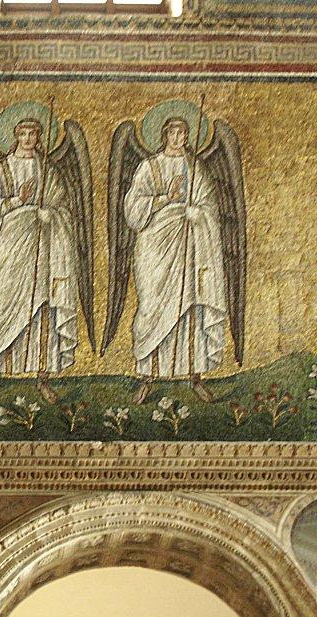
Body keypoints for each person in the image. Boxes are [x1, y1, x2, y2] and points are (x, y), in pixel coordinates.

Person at [0, 118, 79, 404]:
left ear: (39, 136)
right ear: (15, 136)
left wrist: (51, 214)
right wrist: (15, 202)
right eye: (23, 133)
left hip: (44, 249)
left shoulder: (48, 170)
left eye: (33, 133)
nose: (28, 138)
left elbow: (64, 207)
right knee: (3, 308)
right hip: (9, 250)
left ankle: (42, 377)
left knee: (43, 309)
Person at [124, 117, 226, 404]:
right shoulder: (149, 167)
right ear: (164, 134)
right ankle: (148, 377)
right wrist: (164, 199)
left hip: (191, 245)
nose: (178, 137)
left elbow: (210, 204)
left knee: (191, 306)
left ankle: (195, 377)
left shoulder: (196, 167)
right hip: (156, 247)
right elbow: (132, 210)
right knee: (152, 307)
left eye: (183, 132)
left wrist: (198, 213)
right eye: (173, 132)